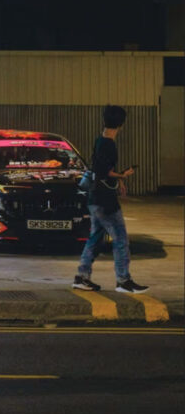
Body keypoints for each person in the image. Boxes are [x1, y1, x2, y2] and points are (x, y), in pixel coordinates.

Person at [73, 105, 147, 294]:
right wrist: (123, 174)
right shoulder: (109, 144)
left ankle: (82, 277)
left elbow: (99, 170)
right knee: (121, 239)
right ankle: (123, 280)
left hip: (95, 198)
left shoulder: (100, 140)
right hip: (105, 200)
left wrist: (119, 178)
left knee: (95, 238)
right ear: (121, 124)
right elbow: (104, 172)